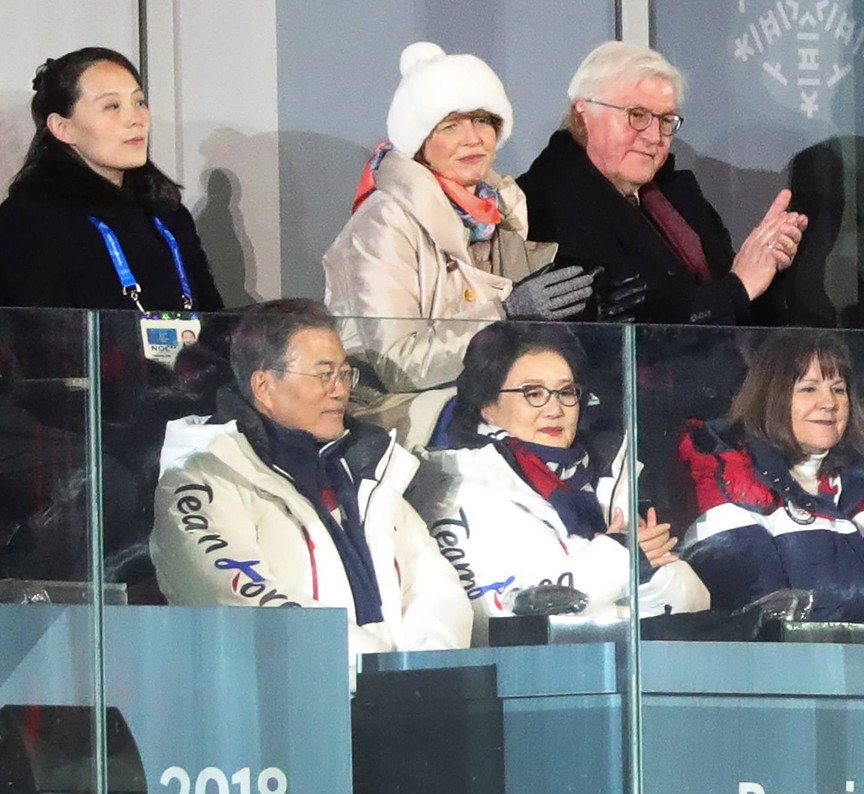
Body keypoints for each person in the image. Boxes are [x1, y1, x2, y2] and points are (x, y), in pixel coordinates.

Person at [149, 299, 471, 660]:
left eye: (344, 374)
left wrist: (422, 668)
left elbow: (433, 584)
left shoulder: (370, 467)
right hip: (282, 702)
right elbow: (237, 595)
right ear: (264, 386)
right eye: (324, 374)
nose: (340, 390)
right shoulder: (203, 476)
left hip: (397, 699)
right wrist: (371, 671)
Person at [322, 42, 595, 444]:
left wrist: (589, 317)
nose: (473, 139)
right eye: (451, 125)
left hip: (485, 400)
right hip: (395, 417)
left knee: (594, 415)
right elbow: (397, 367)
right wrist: (505, 313)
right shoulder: (384, 222)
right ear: (420, 141)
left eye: (483, 121)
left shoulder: (501, 209)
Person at [407, 322, 709, 645]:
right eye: (533, 393)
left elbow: (693, 602)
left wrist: (646, 573)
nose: (555, 409)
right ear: (488, 407)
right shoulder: (456, 487)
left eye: (566, 392)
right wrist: (621, 559)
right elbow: (506, 620)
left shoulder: (604, 476)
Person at [518, 41, 808, 325]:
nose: (655, 136)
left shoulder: (674, 194)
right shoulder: (545, 201)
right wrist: (739, 287)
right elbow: (634, 325)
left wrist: (767, 262)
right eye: (637, 115)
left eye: (667, 120)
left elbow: (732, 296)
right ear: (582, 113)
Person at [0, 47, 223, 312]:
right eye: (112, 106)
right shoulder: (29, 219)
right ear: (62, 128)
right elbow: (39, 337)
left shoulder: (167, 212)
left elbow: (214, 322)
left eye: (139, 102)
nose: (135, 119)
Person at [678, 331, 864, 621]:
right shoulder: (725, 473)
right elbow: (763, 607)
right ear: (771, 397)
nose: (829, 402)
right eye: (809, 389)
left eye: (838, 389)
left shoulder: (855, 481)